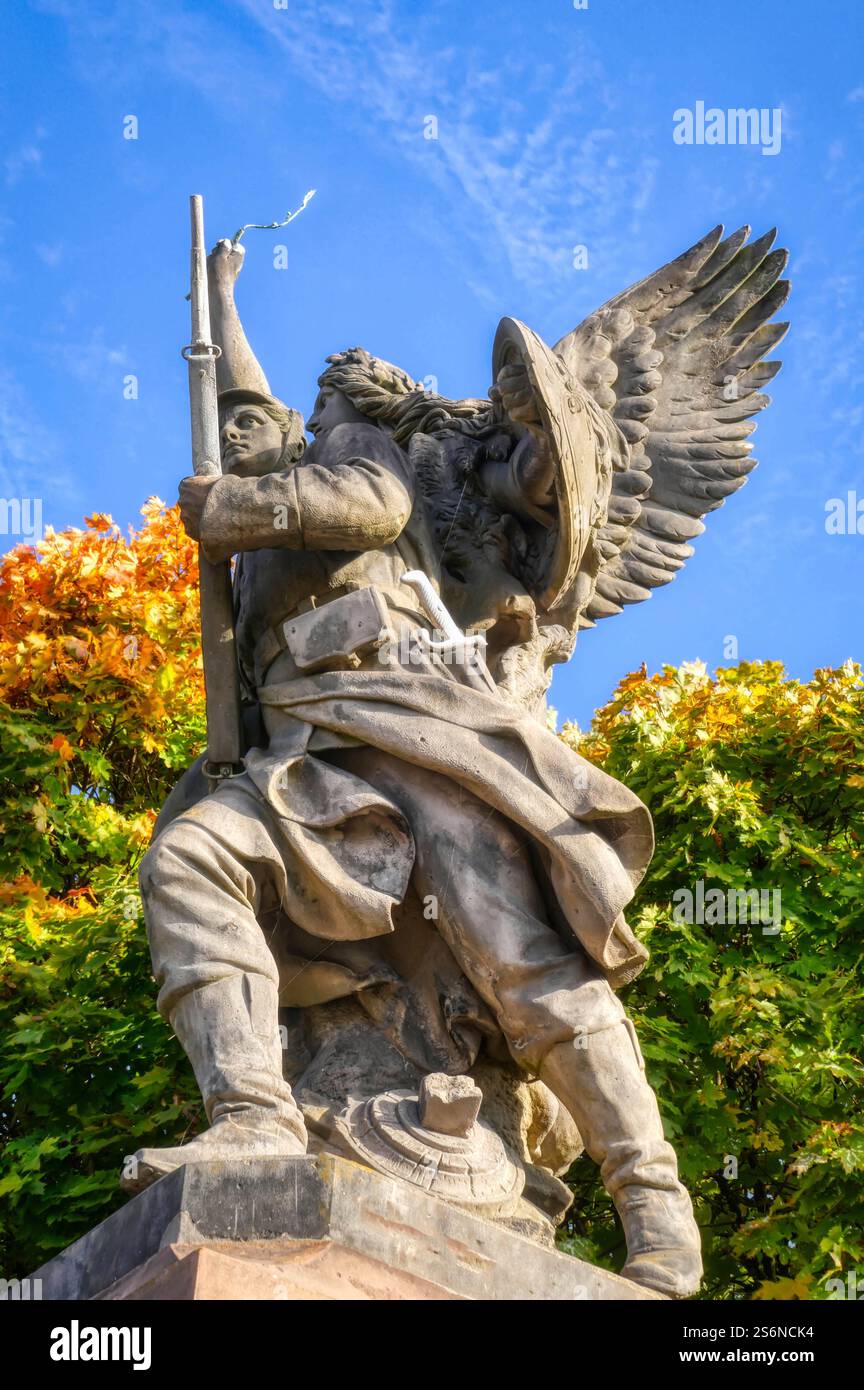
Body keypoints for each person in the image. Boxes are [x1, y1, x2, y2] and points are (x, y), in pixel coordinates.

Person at [129, 239, 702, 1297]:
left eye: (274, 428)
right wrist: (217, 300)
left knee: (523, 962)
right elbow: (243, 403)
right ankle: (255, 1117)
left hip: (416, 723)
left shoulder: (367, 462)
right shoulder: (292, 481)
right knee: (191, 864)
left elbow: (360, 501)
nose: (258, 434)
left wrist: (232, 509)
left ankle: (654, 1201)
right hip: (309, 764)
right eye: (241, 428)